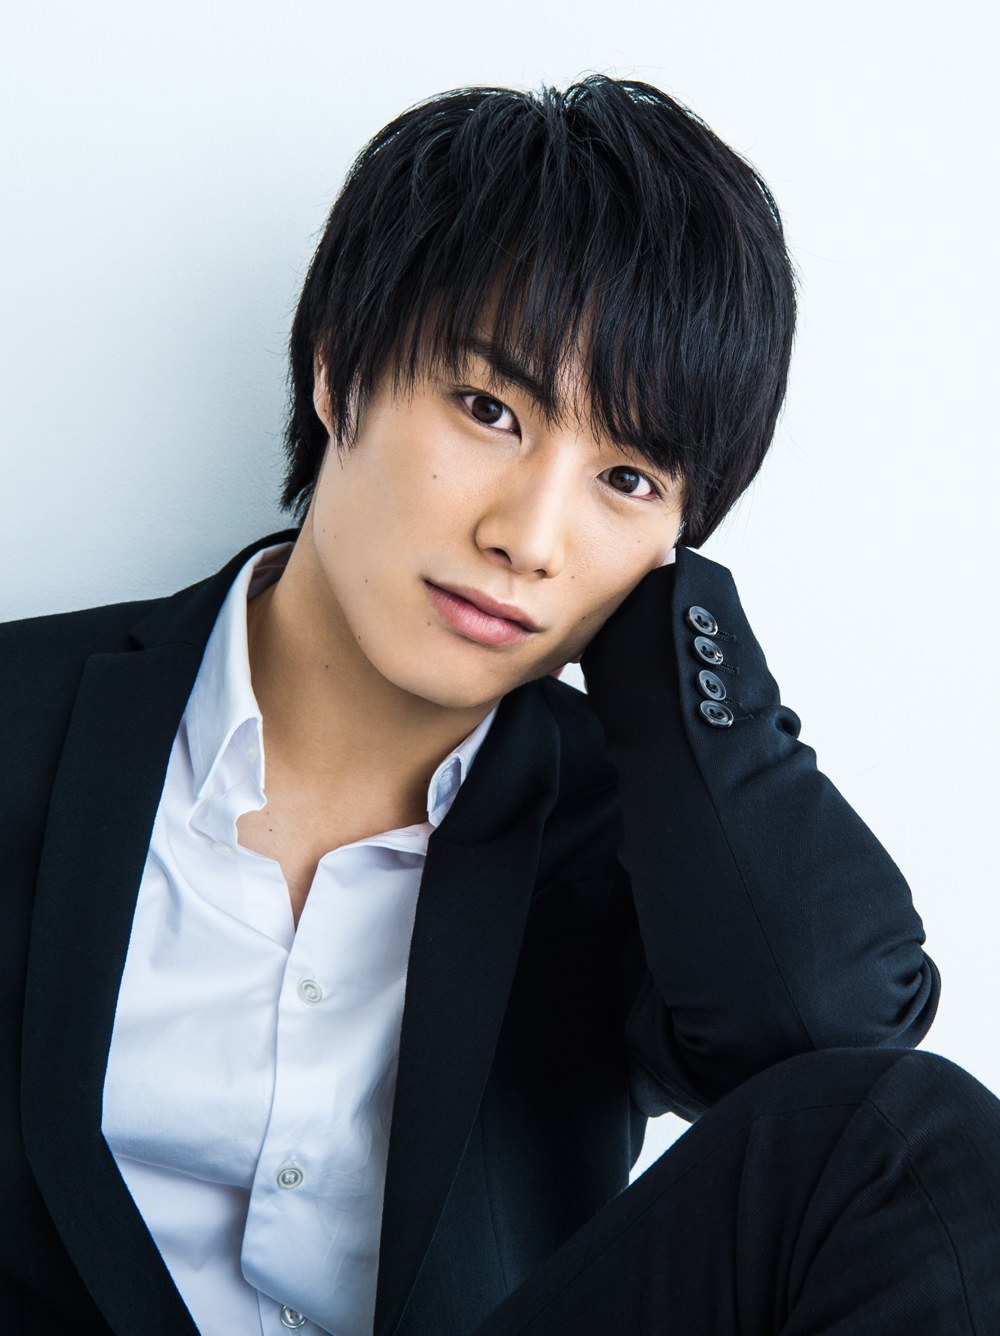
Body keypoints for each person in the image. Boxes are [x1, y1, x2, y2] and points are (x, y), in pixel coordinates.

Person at [3, 76, 998, 1336]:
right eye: (489, 410)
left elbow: (823, 1042)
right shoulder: (28, 721)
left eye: (625, 478)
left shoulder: (636, 836)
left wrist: (673, 655)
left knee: (912, 1141)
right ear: (338, 368)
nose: (528, 537)